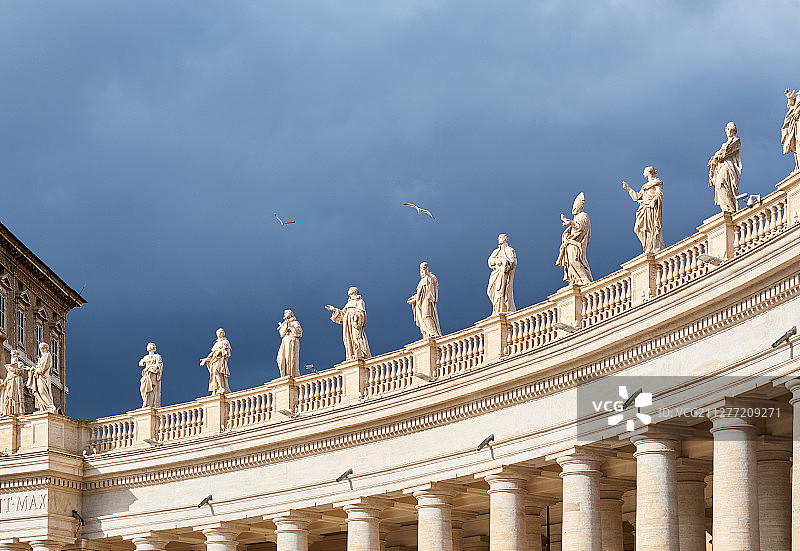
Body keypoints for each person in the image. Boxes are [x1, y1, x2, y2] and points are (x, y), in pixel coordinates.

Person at [622, 166, 665, 254]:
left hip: (651, 207)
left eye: (644, 171)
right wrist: (628, 188)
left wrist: (653, 201)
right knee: (637, 228)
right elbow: (637, 197)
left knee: (650, 228)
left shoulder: (657, 182)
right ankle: (647, 246)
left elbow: (659, 193)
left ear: (649, 172)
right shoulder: (644, 186)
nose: (643, 173)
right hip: (644, 207)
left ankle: (652, 247)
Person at [556, 192, 593, 286]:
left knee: (574, 260)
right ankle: (575, 280)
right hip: (570, 244)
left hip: (575, 244)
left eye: (576, 206)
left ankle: (585, 280)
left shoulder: (583, 215)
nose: (573, 208)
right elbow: (572, 229)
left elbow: (580, 227)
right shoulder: (576, 218)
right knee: (571, 263)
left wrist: (570, 223)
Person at [326, 287, 371, 361]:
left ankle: (360, 353)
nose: (348, 291)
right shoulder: (349, 303)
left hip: (354, 321)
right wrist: (334, 309)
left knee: (356, 336)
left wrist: (356, 316)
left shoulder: (359, 301)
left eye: (349, 290)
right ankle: (351, 355)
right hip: (347, 322)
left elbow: (362, 312)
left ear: (354, 291)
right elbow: (343, 314)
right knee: (348, 339)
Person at [708, 122, 742, 213]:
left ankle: (731, 209)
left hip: (728, 167)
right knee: (720, 186)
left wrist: (717, 155)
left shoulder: (736, 140)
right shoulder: (724, 144)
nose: (730, 131)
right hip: (721, 167)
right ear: (725, 130)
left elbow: (725, 153)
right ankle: (727, 208)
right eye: (728, 129)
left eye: (732, 129)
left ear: (735, 131)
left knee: (722, 184)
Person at [408, 262, 442, 338]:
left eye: (425, 267)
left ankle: (434, 333)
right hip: (421, 301)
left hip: (428, 299)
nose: (423, 269)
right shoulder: (421, 282)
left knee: (427, 316)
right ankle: (428, 334)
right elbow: (419, 293)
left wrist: (427, 275)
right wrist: (414, 298)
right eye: (421, 268)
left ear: (427, 268)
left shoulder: (431, 277)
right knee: (423, 317)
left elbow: (433, 287)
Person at [487, 234, 517, 314]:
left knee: (501, 291)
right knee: (490, 291)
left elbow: (513, 262)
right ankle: (496, 309)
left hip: (503, 273)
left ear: (506, 239)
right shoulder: (496, 251)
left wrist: (504, 263)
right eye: (499, 237)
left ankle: (500, 310)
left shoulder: (509, 250)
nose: (498, 239)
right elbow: (490, 261)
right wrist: (497, 261)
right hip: (496, 273)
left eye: (501, 237)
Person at [200, 328, 231, 395]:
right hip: (214, 360)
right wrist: (205, 359)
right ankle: (217, 388)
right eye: (218, 333)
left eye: (220, 333)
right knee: (214, 373)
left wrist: (221, 351)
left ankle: (221, 387)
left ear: (223, 334)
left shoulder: (225, 342)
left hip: (220, 360)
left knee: (217, 371)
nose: (218, 334)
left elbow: (228, 353)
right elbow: (212, 353)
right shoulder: (216, 344)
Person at [28, 342, 56, 413]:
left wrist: (37, 371)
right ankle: (44, 407)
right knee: (40, 392)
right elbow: (40, 368)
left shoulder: (47, 355)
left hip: (43, 377)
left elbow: (43, 368)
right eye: (40, 348)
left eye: (42, 347)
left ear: (46, 348)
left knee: (42, 391)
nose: (41, 349)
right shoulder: (43, 357)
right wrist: (31, 369)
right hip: (40, 377)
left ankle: (50, 406)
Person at [276, 310, 302, 377]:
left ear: (290, 314)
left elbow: (299, 332)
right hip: (285, 341)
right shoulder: (284, 323)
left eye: (286, 313)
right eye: (284, 313)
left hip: (291, 340)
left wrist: (291, 328)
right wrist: (285, 327)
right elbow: (281, 334)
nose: (284, 314)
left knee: (290, 356)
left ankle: (290, 374)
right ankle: (283, 374)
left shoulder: (295, 322)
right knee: (280, 358)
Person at [1, 350, 26, 416]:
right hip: (10, 381)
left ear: (16, 356)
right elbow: (8, 375)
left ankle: (17, 412)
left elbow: (22, 371)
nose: (12, 356)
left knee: (15, 396)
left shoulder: (19, 364)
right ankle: (9, 412)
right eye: (12, 355)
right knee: (8, 396)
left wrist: (13, 370)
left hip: (16, 381)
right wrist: (4, 383)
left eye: (14, 355)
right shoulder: (10, 365)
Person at [139, 342, 163, 408]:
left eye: (148, 346)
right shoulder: (146, 357)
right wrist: (142, 361)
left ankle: (150, 404)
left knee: (151, 389)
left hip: (152, 373)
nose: (147, 347)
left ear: (152, 347)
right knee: (143, 389)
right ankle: (145, 402)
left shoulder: (157, 356)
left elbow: (159, 365)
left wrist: (154, 369)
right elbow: (140, 363)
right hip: (146, 374)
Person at [782, 88, 800, 173]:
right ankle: (799, 165)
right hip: (796, 121)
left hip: (797, 117)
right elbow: (791, 105)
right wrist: (790, 98)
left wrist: (797, 111)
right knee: (797, 143)